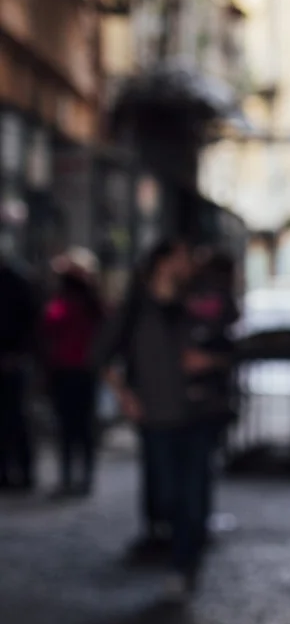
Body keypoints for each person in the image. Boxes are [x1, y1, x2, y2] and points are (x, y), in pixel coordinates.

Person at [99, 238, 225, 596]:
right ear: (163, 262)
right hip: (157, 413)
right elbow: (103, 353)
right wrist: (125, 395)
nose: (189, 265)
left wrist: (211, 361)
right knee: (167, 492)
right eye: (183, 257)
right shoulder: (136, 308)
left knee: (193, 491)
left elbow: (231, 348)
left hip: (200, 411)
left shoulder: (201, 302)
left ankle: (185, 561)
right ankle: (173, 542)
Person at [41, 249, 104, 496]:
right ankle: (79, 477)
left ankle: (74, 477)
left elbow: (49, 327)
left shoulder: (66, 304)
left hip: (71, 370)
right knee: (79, 427)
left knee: (72, 427)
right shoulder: (88, 304)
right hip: (77, 371)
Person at [0, 252, 39, 491]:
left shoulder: (18, 283)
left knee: (17, 419)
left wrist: (17, 355)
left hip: (15, 361)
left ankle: (22, 472)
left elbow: (31, 323)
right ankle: (10, 472)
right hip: (13, 359)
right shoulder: (18, 282)